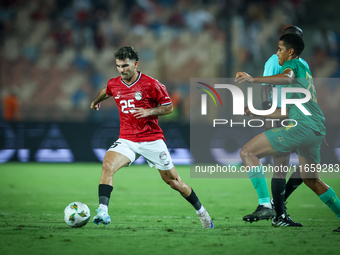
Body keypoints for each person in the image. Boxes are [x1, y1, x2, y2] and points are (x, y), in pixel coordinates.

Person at [89, 46, 214, 229]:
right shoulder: (114, 83)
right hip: (127, 139)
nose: (122, 70)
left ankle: (202, 212)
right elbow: (106, 91)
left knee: (174, 182)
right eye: (118, 66)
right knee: (107, 165)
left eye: (125, 66)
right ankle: (102, 211)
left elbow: (169, 107)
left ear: (135, 64)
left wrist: (148, 111)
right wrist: (95, 102)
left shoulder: (151, 84)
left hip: (152, 140)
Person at [235, 34, 340, 231]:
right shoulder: (306, 72)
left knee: (247, 152)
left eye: (280, 49)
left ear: (291, 51)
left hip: (301, 128)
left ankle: (265, 205)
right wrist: (257, 112)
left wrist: (252, 78)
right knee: (311, 179)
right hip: (315, 129)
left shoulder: (292, 65)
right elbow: (288, 111)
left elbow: (286, 77)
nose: (277, 54)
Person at [242, 26, 307, 224]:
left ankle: (274, 205)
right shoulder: (274, 60)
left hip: (298, 117)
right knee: (282, 166)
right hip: (281, 116)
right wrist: (267, 114)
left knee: (307, 168)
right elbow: (266, 88)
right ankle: (277, 211)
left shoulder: (300, 63)